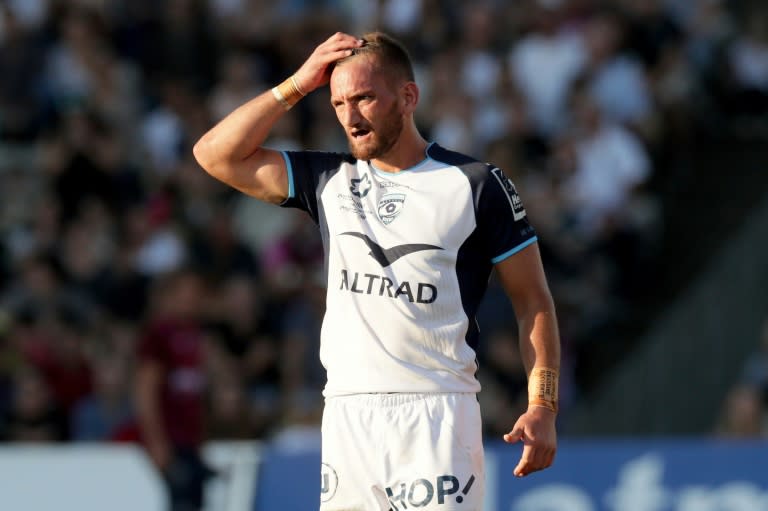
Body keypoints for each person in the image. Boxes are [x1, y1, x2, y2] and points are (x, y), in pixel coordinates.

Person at [193, 31, 560, 510]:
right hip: (349, 413)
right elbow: (213, 155)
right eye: (339, 102)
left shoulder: (474, 184)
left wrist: (543, 405)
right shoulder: (328, 178)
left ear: (408, 97)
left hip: (436, 412)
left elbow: (533, 300)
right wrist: (297, 85)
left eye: (364, 98)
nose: (350, 116)